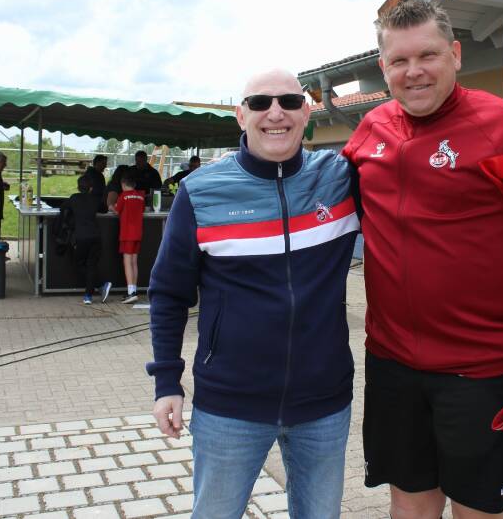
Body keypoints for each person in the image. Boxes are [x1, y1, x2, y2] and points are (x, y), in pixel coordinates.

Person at [342, 1, 503, 519]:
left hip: (484, 370)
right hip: (391, 365)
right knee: (408, 504)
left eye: (428, 55)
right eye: (399, 61)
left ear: (455, 55)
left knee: (478, 510)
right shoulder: (371, 130)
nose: (414, 71)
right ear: (384, 67)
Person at [146, 68, 359, 519]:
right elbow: (168, 293)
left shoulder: (340, 178)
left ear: (306, 113)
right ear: (241, 116)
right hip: (230, 406)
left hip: (324, 403)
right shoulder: (201, 192)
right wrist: (167, 382)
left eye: (289, 102)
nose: (275, 113)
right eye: (260, 103)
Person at [61, 175, 112, 305]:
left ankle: (100, 286)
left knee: (79, 264)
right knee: (91, 265)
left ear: (78, 187)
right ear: (91, 188)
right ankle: (90, 295)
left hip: (81, 237)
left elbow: (63, 207)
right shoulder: (95, 199)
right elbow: (104, 209)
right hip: (95, 236)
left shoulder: (74, 198)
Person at [114, 175, 145, 304]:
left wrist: (111, 207)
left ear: (123, 185)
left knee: (127, 261)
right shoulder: (141, 196)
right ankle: (134, 290)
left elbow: (117, 210)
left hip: (127, 233)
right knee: (134, 262)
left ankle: (131, 292)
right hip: (138, 233)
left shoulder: (124, 196)